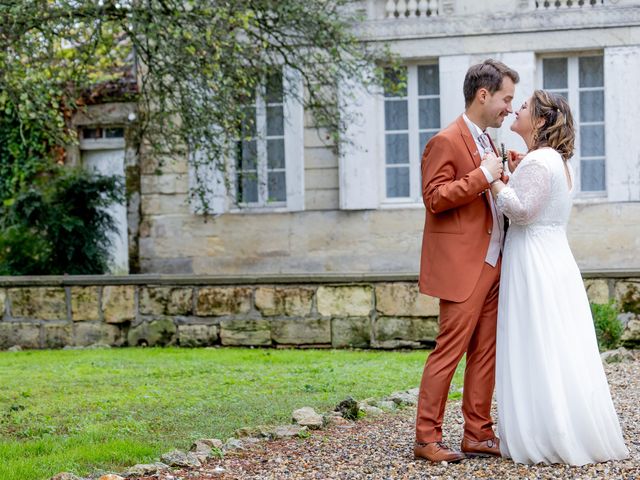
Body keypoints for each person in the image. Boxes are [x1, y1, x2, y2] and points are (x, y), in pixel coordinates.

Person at [489, 90, 630, 465]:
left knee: (536, 342)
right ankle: (564, 426)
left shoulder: (538, 161)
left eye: (523, 107)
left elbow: (521, 211)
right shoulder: (554, 161)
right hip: (553, 257)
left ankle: (546, 434)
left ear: (539, 121)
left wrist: (493, 180)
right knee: (556, 343)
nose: (516, 109)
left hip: (533, 259)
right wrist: (512, 174)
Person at [415, 59, 519, 463]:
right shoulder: (445, 140)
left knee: (485, 353)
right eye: (506, 99)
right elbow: (435, 198)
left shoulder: (489, 142)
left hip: (495, 264)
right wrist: (480, 175)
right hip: (464, 267)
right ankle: (426, 438)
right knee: (449, 350)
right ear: (483, 95)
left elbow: (494, 185)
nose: (509, 108)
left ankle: (477, 433)